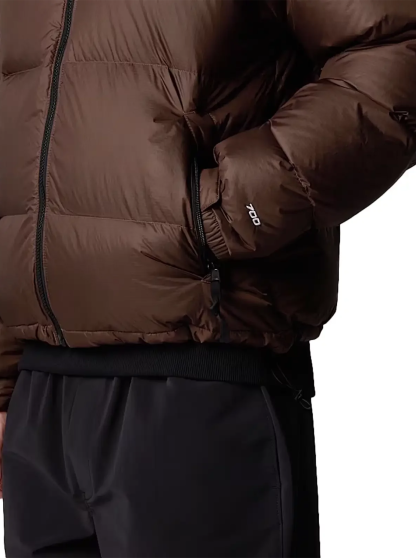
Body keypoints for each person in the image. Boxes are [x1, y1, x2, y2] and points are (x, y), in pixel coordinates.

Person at [0, 0, 415, 556]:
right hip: (39, 399)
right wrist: (4, 383)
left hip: (198, 377)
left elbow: (398, 44)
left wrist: (234, 209)